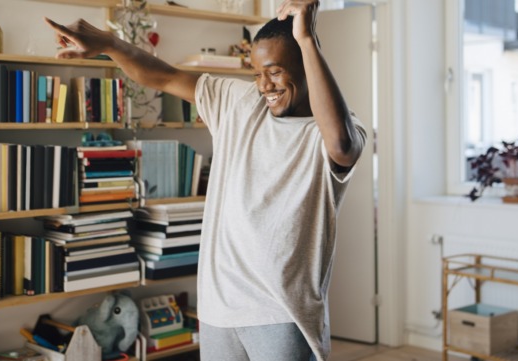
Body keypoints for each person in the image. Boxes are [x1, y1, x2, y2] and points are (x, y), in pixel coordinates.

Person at [45, 0, 366, 360]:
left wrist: (306, 39)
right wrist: (109, 44)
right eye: (258, 73)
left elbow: (341, 145)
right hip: (218, 309)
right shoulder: (239, 103)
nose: (265, 86)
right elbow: (162, 76)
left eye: (275, 72)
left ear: (307, 66)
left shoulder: (336, 129)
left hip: (281, 314)